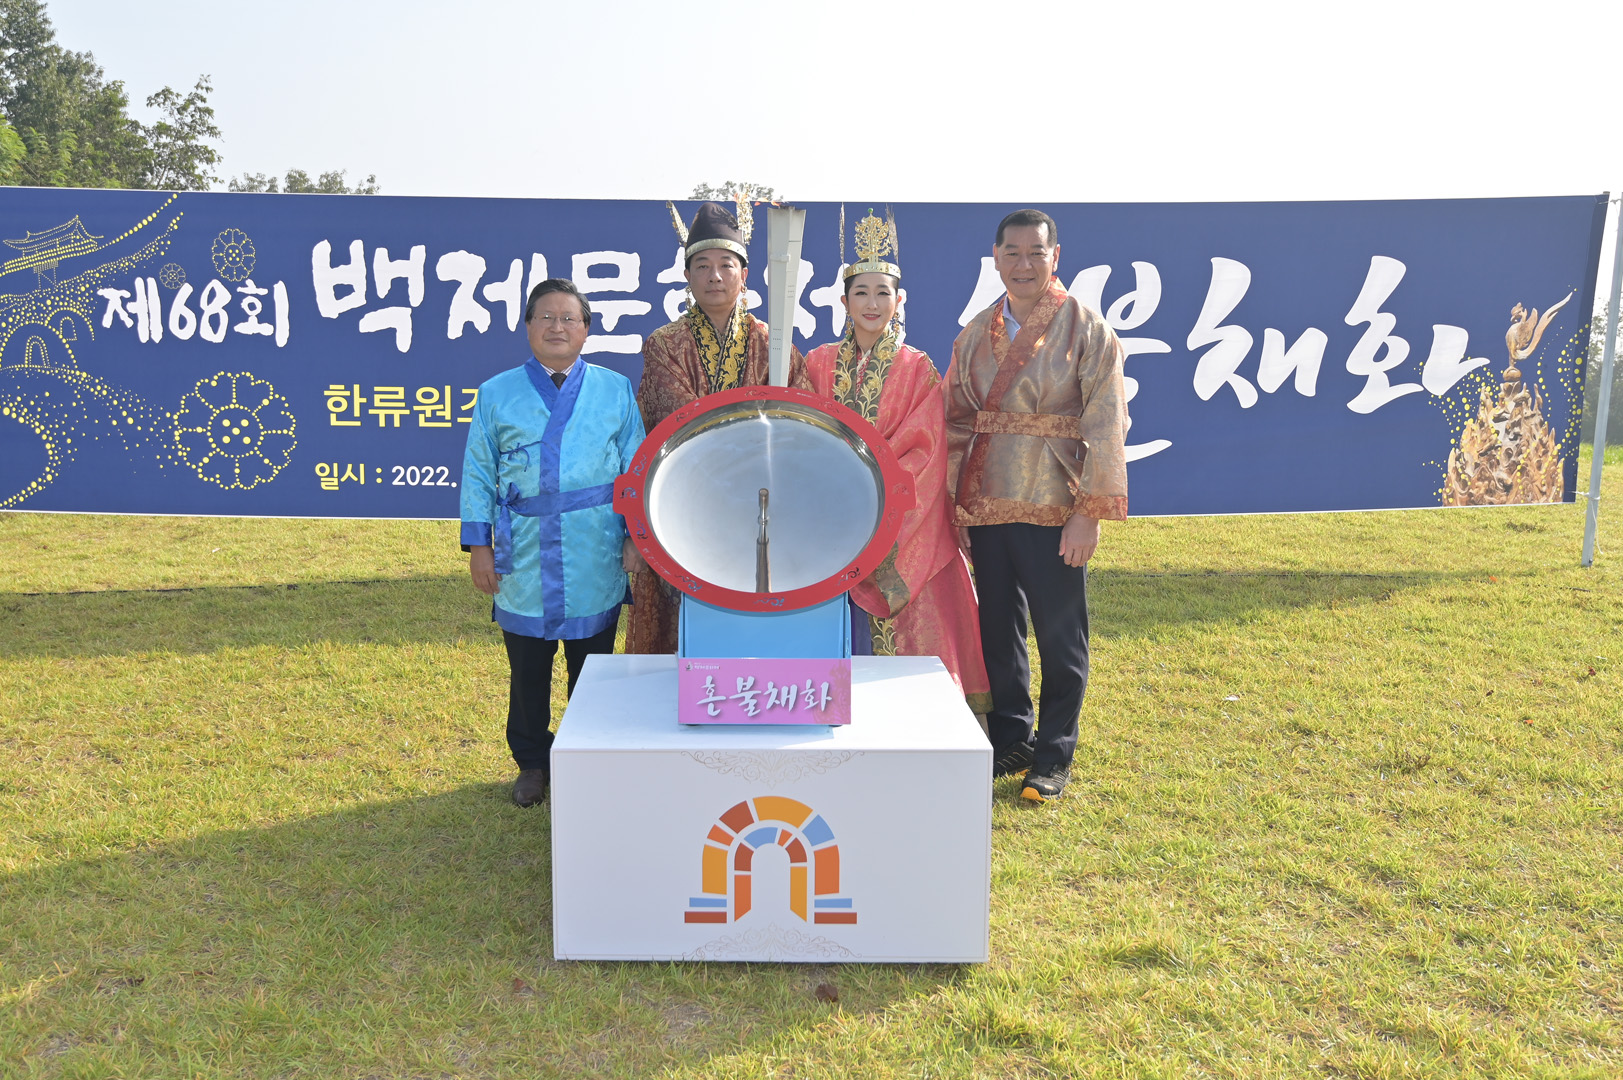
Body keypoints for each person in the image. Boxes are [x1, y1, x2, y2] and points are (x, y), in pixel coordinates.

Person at [943, 209, 1128, 802]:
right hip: (989, 500)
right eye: (1012, 253)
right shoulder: (976, 332)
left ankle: (1053, 755)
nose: (1024, 264)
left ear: (1056, 256)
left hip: (1056, 502)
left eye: (1036, 253)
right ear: (995, 258)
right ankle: (1012, 737)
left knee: (1060, 635)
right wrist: (958, 503)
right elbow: (955, 422)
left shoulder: (1087, 329)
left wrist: (1087, 512)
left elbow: (1107, 422)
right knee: (997, 630)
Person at [460, 278, 646, 807]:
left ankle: (589, 755)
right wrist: (479, 545)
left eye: (569, 318)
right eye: (546, 316)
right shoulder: (496, 392)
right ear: (527, 326)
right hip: (523, 549)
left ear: (586, 329)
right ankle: (532, 762)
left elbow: (635, 467)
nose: (557, 327)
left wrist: (635, 537)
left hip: (594, 544)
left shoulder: (614, 389)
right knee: (528, 668)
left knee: (592, 665)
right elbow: (478, 471)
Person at [803, 209, 990, 712]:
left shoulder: (918, 367)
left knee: (916, 639)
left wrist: (872, 498)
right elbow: (802, 440)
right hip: (827, 519)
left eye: (882, 293)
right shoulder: (817, 363)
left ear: (899, 300)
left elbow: (927, 450)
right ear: (843, 301)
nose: (872, 303)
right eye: (861, 292)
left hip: (902, 521)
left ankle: (921, 721)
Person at [625, 199, 811, 654]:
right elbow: (680, 416)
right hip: (685, 499)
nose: (714, 276)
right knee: (682, 618)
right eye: (702, 266)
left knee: (759, 607)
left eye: (726, 265)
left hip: (763, 502)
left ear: (743, 275)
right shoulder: (664, 345)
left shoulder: (773, 344)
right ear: (687, 276)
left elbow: (800, 419)